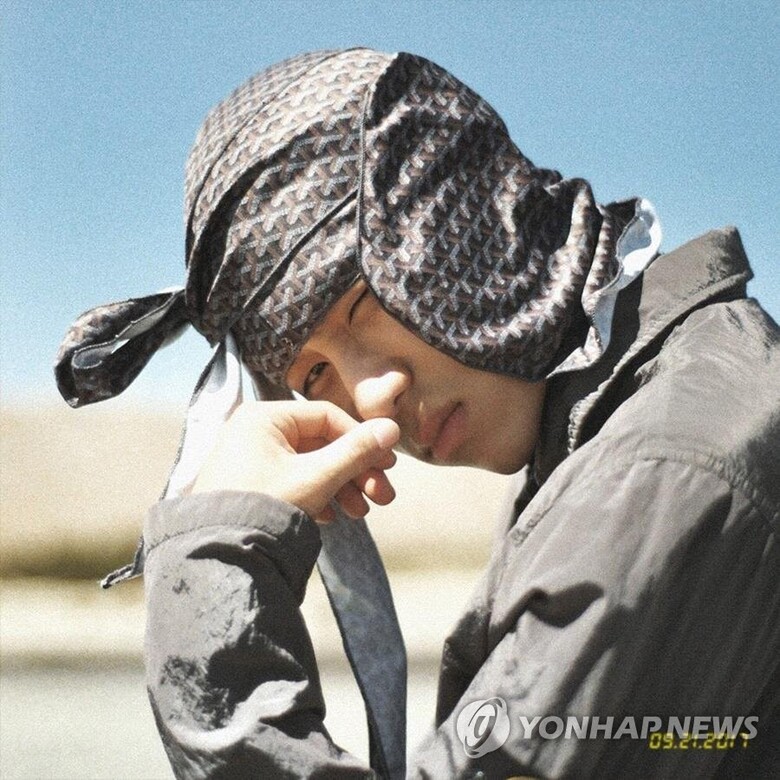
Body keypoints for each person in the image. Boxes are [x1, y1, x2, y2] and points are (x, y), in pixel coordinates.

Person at [56, 49, 779, 779]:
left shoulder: (665, 473)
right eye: (314, 375)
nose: (372, 400)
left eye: (367, 303)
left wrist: (215, 578)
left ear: (469, 215)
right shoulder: (623, 434)